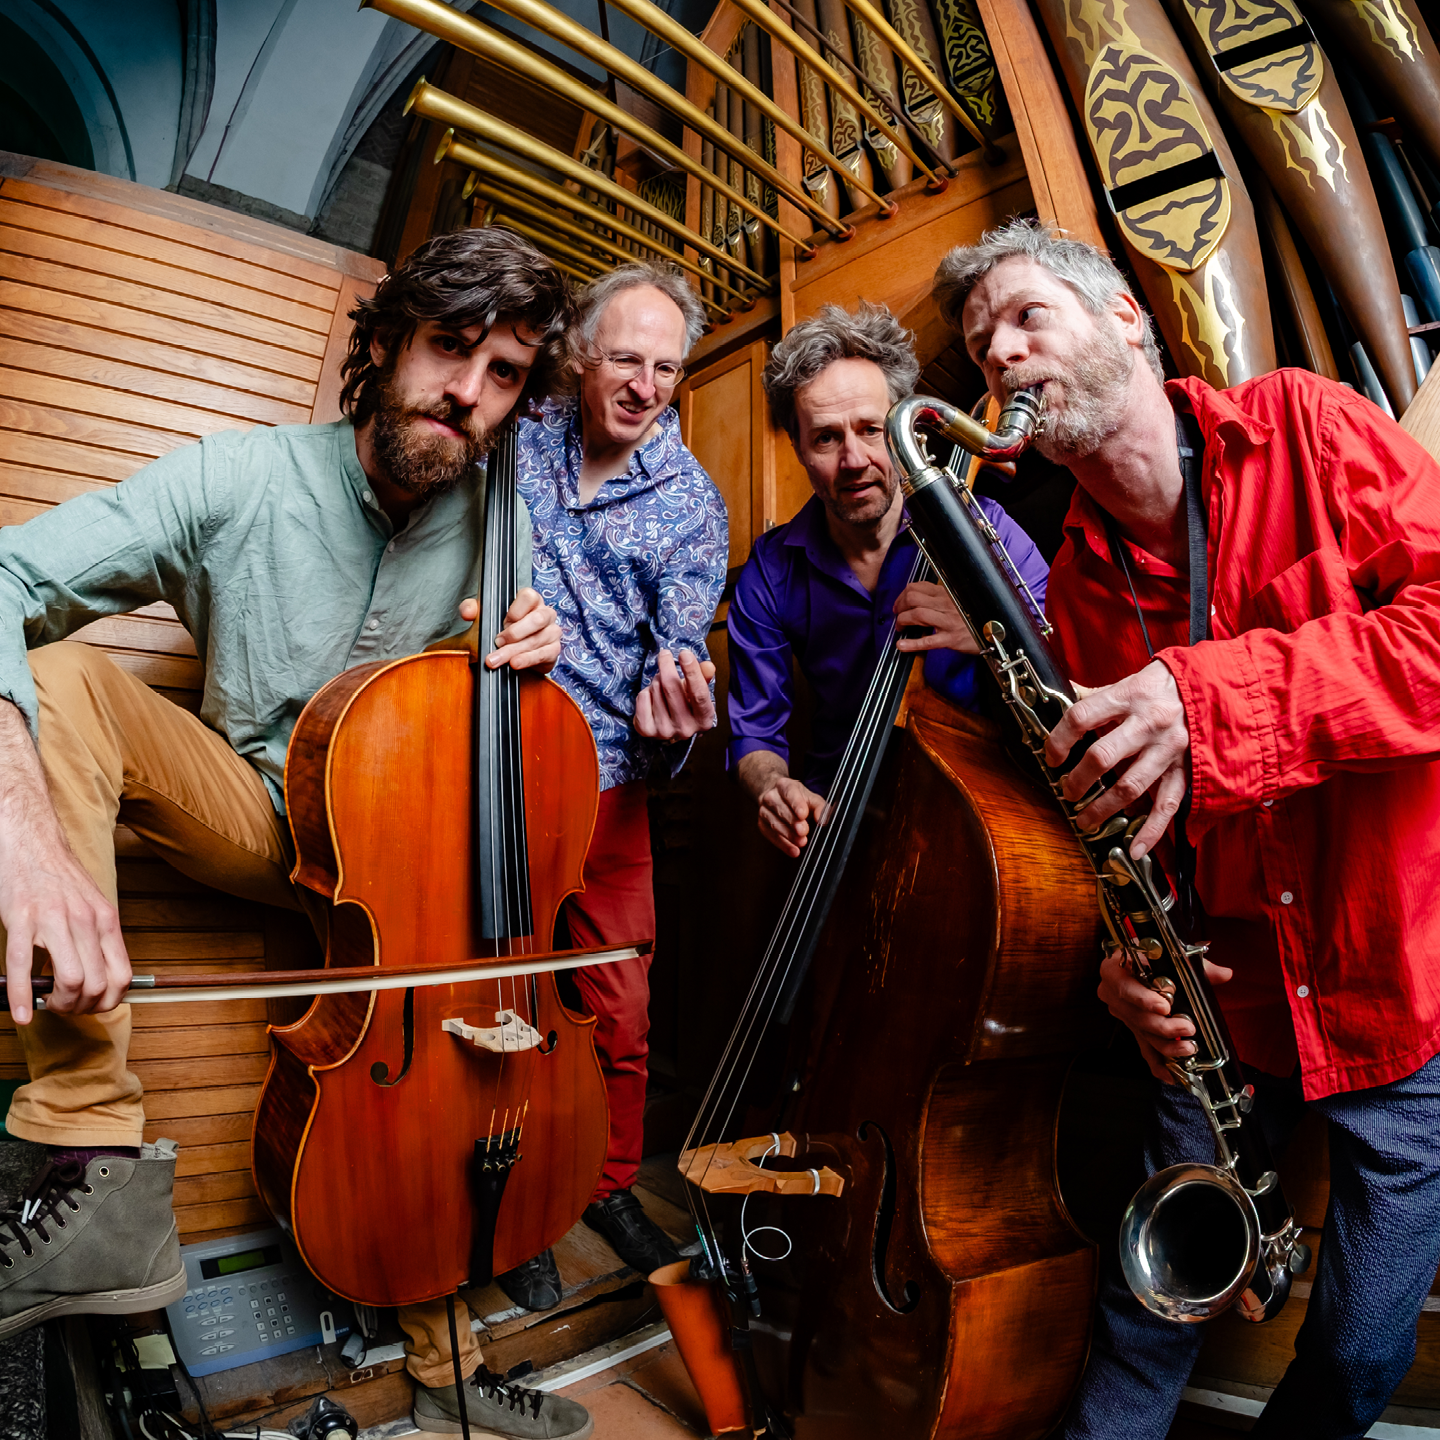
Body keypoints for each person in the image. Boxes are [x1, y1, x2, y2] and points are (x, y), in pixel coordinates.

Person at [0, 228, 594, 1440]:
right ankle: (89, 1158)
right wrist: (24, 837)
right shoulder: (238, 478)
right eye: (449, 348)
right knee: (61, 679)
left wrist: (533, 660)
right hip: (263, 816)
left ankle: (448, 1356)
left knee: (445, 1081)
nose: (469, 394)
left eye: (505, 375)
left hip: (414, 868)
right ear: (385, 341)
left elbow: (493, 758)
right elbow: (9, 576)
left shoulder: (503, 521)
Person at [933, 217, 1440, 1439]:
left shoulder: (1307, 423)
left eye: (1025, 316)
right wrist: (1125, 963)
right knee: (1141, 1318)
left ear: (1124, 316)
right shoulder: (1072, 583)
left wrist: (1202, 699)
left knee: (1360, 1347)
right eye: (982, 346)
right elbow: (1130, 828)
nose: (1001, 355)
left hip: (1399, 984)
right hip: (1226, 1003)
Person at [496, 262, 727, 1309]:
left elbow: (677, 649)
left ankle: (607, 1183)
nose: (645, 386)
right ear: (582, 356)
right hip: (488, 759)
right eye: (627, 360)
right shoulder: (516, 439)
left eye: (666, 369)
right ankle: (514, 1195)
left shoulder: (690, 503)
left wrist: (674, 706)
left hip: (606, 783)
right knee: (499, 998)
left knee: (620, 1009)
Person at [730, 301, 1047, 855]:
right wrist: (772, 786)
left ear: (906, 428)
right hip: (844, 816)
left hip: (989, 805)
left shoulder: (988, 530)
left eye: (871, 429)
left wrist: (992, 629)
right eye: (825, 438)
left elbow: (1065, 670)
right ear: (798, 448)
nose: (854, 459)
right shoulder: (771, 570)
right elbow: (755, 730)